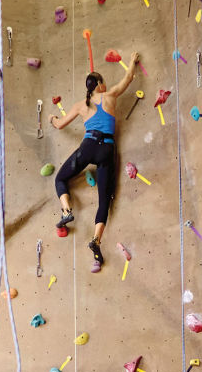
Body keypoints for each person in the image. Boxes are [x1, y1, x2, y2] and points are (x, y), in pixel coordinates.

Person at [49, 52, 141, 267]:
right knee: (104, 200)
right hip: (107, 149)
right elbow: (128, 79)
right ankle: (96, 240)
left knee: (60, 179)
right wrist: (132, 61)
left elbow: (60, 124)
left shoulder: (82, 105)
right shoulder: (110, 96)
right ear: (100, 84)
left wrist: (52, 118)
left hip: (88, 147)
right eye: (104, 82)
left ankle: (67, 211)